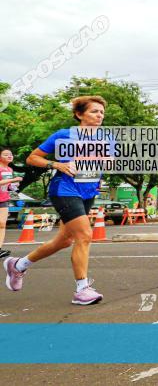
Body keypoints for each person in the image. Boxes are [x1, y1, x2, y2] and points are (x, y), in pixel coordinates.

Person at [4, 96, 109, 304]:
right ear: (79, 115)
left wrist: (98, 176)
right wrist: (57, 165)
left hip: (88, 192)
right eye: (94, 111)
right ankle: (82, 289)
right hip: (64, 189)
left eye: (102, 112)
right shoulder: (64, 135)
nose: (99, 115)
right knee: (85, 235)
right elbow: (33, 158)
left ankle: (18, 265)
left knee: (65, 240)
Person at [0, 148, 24, 260]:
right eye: (6, 154)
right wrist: (12, 180)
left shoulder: (9, 169)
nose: (10, 156)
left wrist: (14, 185)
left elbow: (8, 186)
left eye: (11, 154)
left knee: (2, 224)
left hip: (4, 199)